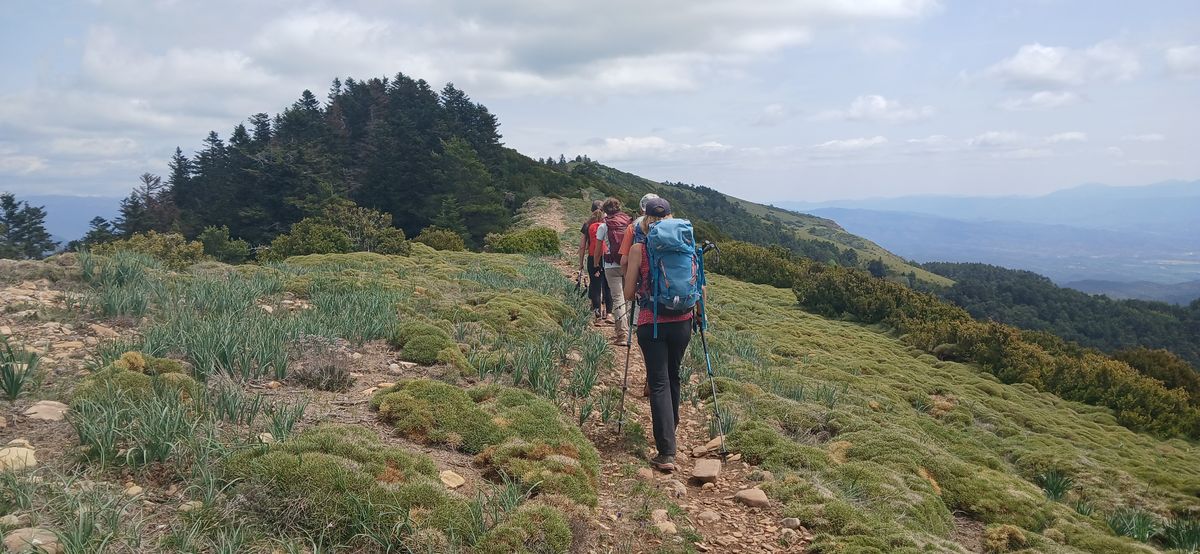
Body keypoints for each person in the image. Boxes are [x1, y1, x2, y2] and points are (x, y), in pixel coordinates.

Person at [623, 197, 694, 472]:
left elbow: (629, 293)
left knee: (659, 382)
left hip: (652, 322)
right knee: (674, 375)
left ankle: (666, 452)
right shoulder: (686, 245)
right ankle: (670, 427)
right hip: (683, 321)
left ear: (646, 219)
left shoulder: (639, 248)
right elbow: (699, 285)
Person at [593, 197, 632, 345]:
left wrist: (596, 264)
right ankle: (628, 330)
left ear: (605, 210)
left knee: (618, 298)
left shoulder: (604, 226)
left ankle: (622, 334)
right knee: (627, 297)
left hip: (611, 266)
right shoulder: (628, 223)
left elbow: (598, 250)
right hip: (627, 263)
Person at [584, 208, 612, 324]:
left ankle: (598, 316)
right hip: (607, 257)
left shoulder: (590, 226)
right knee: (607, 286)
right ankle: (609, 314)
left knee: (595, 287)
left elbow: (585, 245)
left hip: (593, 257)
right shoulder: (607, 226)